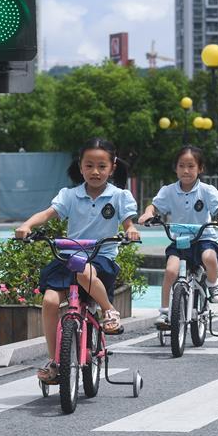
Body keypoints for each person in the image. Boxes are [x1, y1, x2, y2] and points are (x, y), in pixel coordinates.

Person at [14, 138, 140, 384]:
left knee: (83, 270)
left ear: (112, 168)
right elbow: (48, 214)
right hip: (70, 257)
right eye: (89, 165)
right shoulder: (70, 195)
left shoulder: (119, 196)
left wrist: (132, 230)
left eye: (101, 166)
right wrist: (27, 225)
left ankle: (109, 311)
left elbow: (128, 223)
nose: (95, 171)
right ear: (80, 166)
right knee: (50, 301)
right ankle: (54, 361)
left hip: (100, 259)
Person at [137, 146, 218, 327]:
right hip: (180, 240)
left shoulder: (207, 190)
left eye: (191, 166)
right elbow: (154, 207)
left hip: (204, 238)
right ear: (175, 168)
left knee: (209, 257)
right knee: (170, 271)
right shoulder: (168, 191)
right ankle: (164, 312)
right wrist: (148, 213)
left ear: (200, 168)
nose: (186, 171)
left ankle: (213, 285)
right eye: (181, 166)